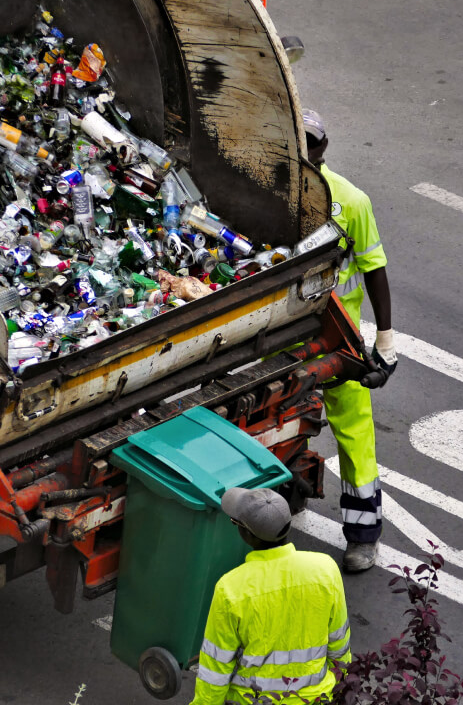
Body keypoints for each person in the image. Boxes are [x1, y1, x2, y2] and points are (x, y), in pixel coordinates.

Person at [301, 108, 397, 573]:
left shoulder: (351, 201)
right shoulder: (268, 190)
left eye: (311, 141)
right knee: (278, 418)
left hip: (338, 337)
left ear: (324, 146)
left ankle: (363, 537)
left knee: (355, 435)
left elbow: (375, 268)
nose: (304, 149)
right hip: (282, 333)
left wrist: (386, 338)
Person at [190, 487, 351, 705]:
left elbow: (216, 668)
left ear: (246, 534)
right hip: (317, 698)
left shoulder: (231, 589)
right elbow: (339, 644)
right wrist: (340, 687)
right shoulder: (325, 570)